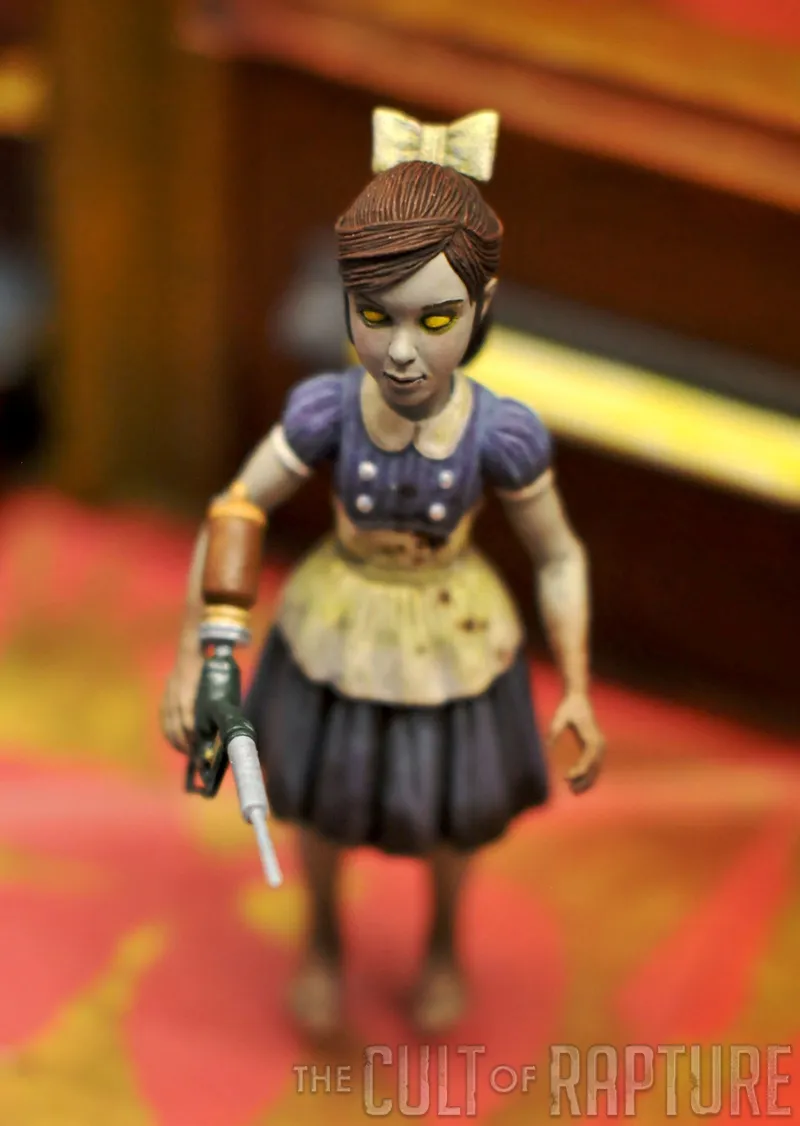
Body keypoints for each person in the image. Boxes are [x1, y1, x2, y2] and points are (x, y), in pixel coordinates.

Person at [160, 107, 605, 1037]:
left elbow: (559, 553)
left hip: (451, 637)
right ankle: (323, 937)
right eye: (376, 316)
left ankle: (443, 942)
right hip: (340, 628)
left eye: (435, 320)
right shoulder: (327, 412)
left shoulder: (501, 433)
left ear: (481, 309)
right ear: (347, 304)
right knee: (323, 805)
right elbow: (236, 509)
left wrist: (576, 682)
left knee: (452, 814)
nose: (402, 351)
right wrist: (193, 653)